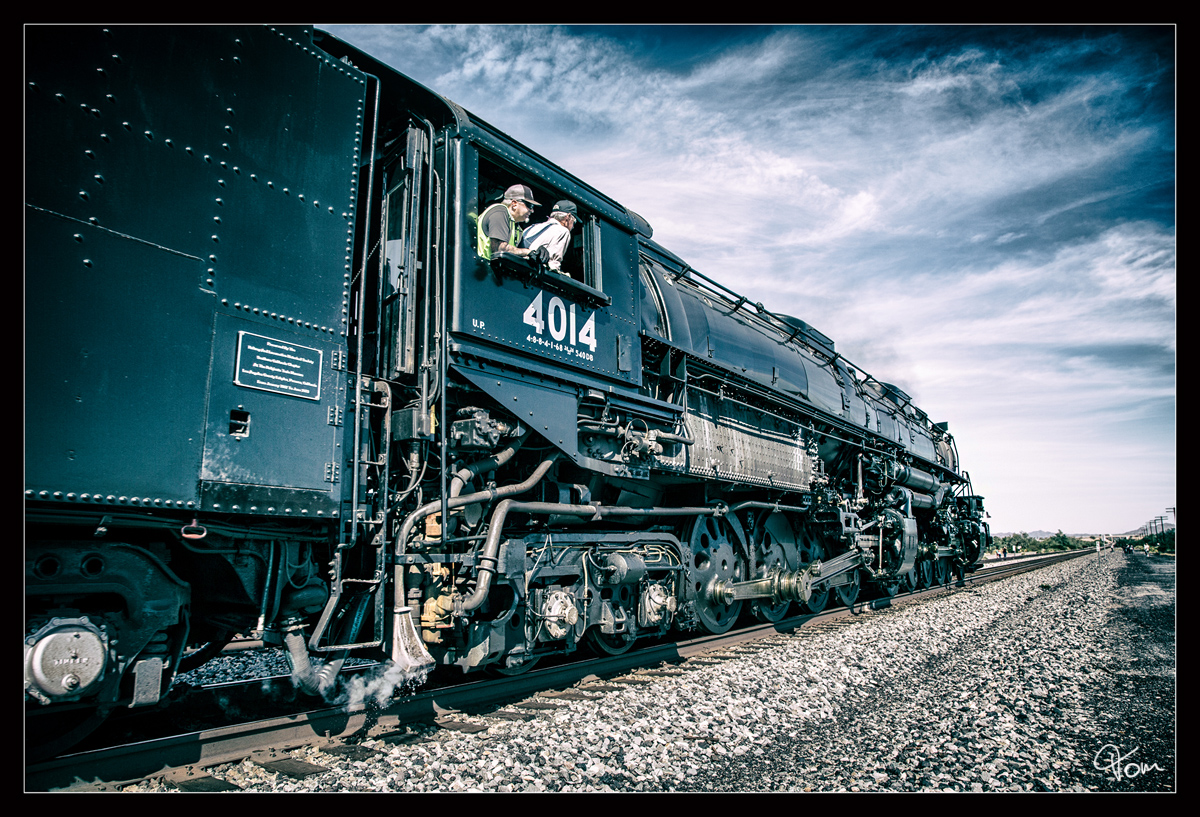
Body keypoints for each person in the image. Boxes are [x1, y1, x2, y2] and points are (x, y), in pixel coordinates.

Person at [476, 184, 546, 262]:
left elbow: (516, 251)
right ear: (514, 204)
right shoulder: (500, 211)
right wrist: (527, 252)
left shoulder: (516, 227)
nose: (532, 210)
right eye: (529, 205)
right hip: (480, 266)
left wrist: (537, 252)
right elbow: (499, 248)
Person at [520, 200, 581, 274]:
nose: (573, 227)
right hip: (530, 275)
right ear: (568, 217)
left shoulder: (532, 227)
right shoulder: (563, 231)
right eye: (574, 222)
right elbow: (553, 264)